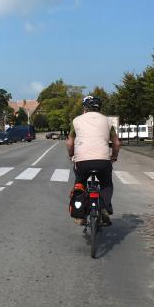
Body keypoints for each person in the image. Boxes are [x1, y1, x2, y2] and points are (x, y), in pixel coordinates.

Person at [66, 95, 120, 226]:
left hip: (82, 162)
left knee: (80, 184)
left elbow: (69, 142)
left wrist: (71, 155)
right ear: (99, 108)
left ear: (84, 108)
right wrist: (114, 156)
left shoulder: (77, 120)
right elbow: (117, 143)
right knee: (106, 184)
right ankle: (104, 207)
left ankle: (81, 216)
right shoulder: (107, 121)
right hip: (103, 161)